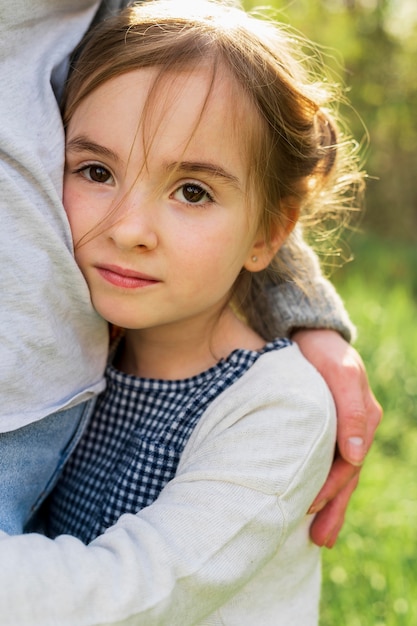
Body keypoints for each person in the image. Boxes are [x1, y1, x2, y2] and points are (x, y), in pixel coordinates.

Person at [0, 1, 381, 623]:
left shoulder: (276, 408)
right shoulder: (93, 359)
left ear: (269, 233)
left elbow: (132, 594)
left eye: (193, 192)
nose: (129, 231)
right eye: (96, 170)